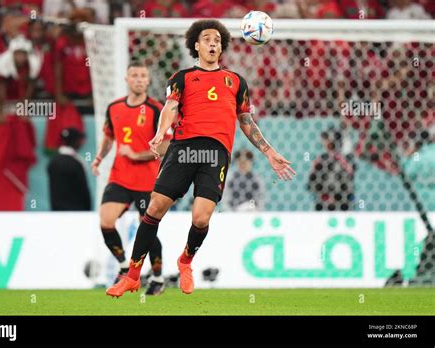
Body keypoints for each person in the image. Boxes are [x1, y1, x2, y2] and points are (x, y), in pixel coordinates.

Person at [106, 19, 296, 298]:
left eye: (217, 41)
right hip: (183, 149)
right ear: (196, 45)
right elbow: (170, 107)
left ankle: (185, 261)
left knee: (201, 217)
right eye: (207, 39)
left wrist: (268, 151)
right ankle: (133, 275)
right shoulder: (181, 77)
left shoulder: (236, 81)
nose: (212, 44)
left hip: (216, 153)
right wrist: (160, 133)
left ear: (222, 49)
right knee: (155, 207)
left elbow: (246, 121)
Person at [92, 61, 171, 295]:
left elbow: (166, 144)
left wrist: (137, 155)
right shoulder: (114, 107)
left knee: (147, 230)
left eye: (142, 75)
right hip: (119, 177)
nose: (138, 79)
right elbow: (108, 137)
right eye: (134, 75)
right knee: (106, 221)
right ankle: (124, 266)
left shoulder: (157, 109)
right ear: (127, 79)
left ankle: (157, 277)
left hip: (148, 181)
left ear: (148, 81)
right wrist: (98, 158)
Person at [308, 127, 356, 211]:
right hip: (324, 201)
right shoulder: (321, 160)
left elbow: (350, 177)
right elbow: (312, 182)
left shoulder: (345, 160)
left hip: (342, 200)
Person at [47, 128, 91, 211]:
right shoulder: (77, 162)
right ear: (75, 141)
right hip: (77, 212)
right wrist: (87, 209)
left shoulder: (53, 162)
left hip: (57, 211)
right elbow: (83, 189)